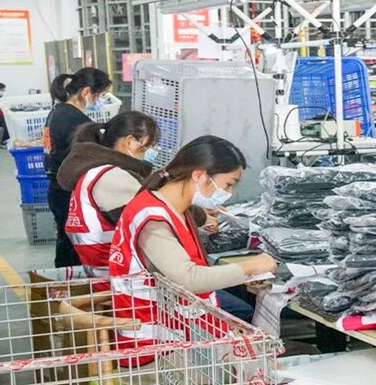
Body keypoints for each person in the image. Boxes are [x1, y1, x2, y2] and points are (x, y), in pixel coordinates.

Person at [109, 135, 276, 336]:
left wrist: (242, 274)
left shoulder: (175, 209)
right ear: (199, 175)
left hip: (178, 324)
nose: (229, 193)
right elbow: (189, 279)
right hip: (156, 335)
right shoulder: (153, 220)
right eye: (228, 184)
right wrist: (250, 266)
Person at [58, 111, 160, 277]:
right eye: (147, 146)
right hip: (124, 276)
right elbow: (153, 216)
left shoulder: (94, 170)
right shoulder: (112, 177)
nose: (151, 152)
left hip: (104, 271)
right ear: (129, 142)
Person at [45, 68, 112, 268]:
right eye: (99, 95)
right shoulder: (76, 121)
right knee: (74, 247)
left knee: (66, 242)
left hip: (58, 189)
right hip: (68, 192)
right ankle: (70, 282)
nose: (99, 100)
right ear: (86, 92)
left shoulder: (58, 112)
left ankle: (65, 280)